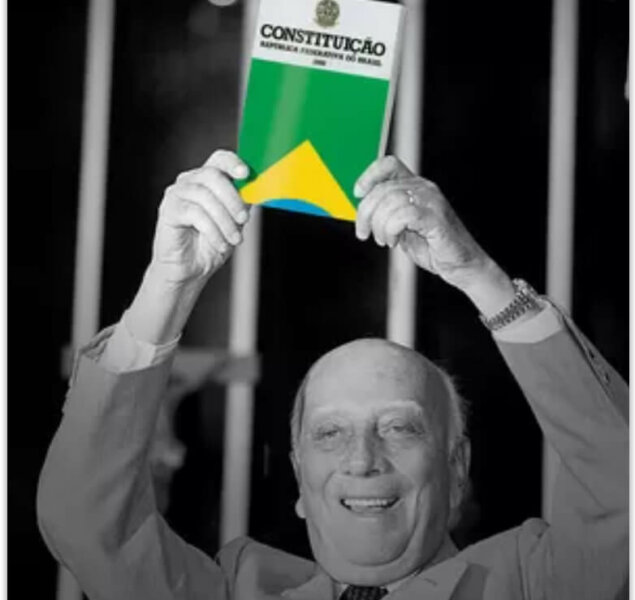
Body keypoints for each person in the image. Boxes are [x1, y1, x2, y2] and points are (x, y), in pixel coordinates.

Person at [37, 150, 628, 600]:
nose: (362, 460)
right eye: (329, 433)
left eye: (399, 428)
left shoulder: (534, 582)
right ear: (299, 474)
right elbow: (88, 522)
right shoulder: (237, 590)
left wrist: (478, 275)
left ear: (457, 468)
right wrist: (170, 284)